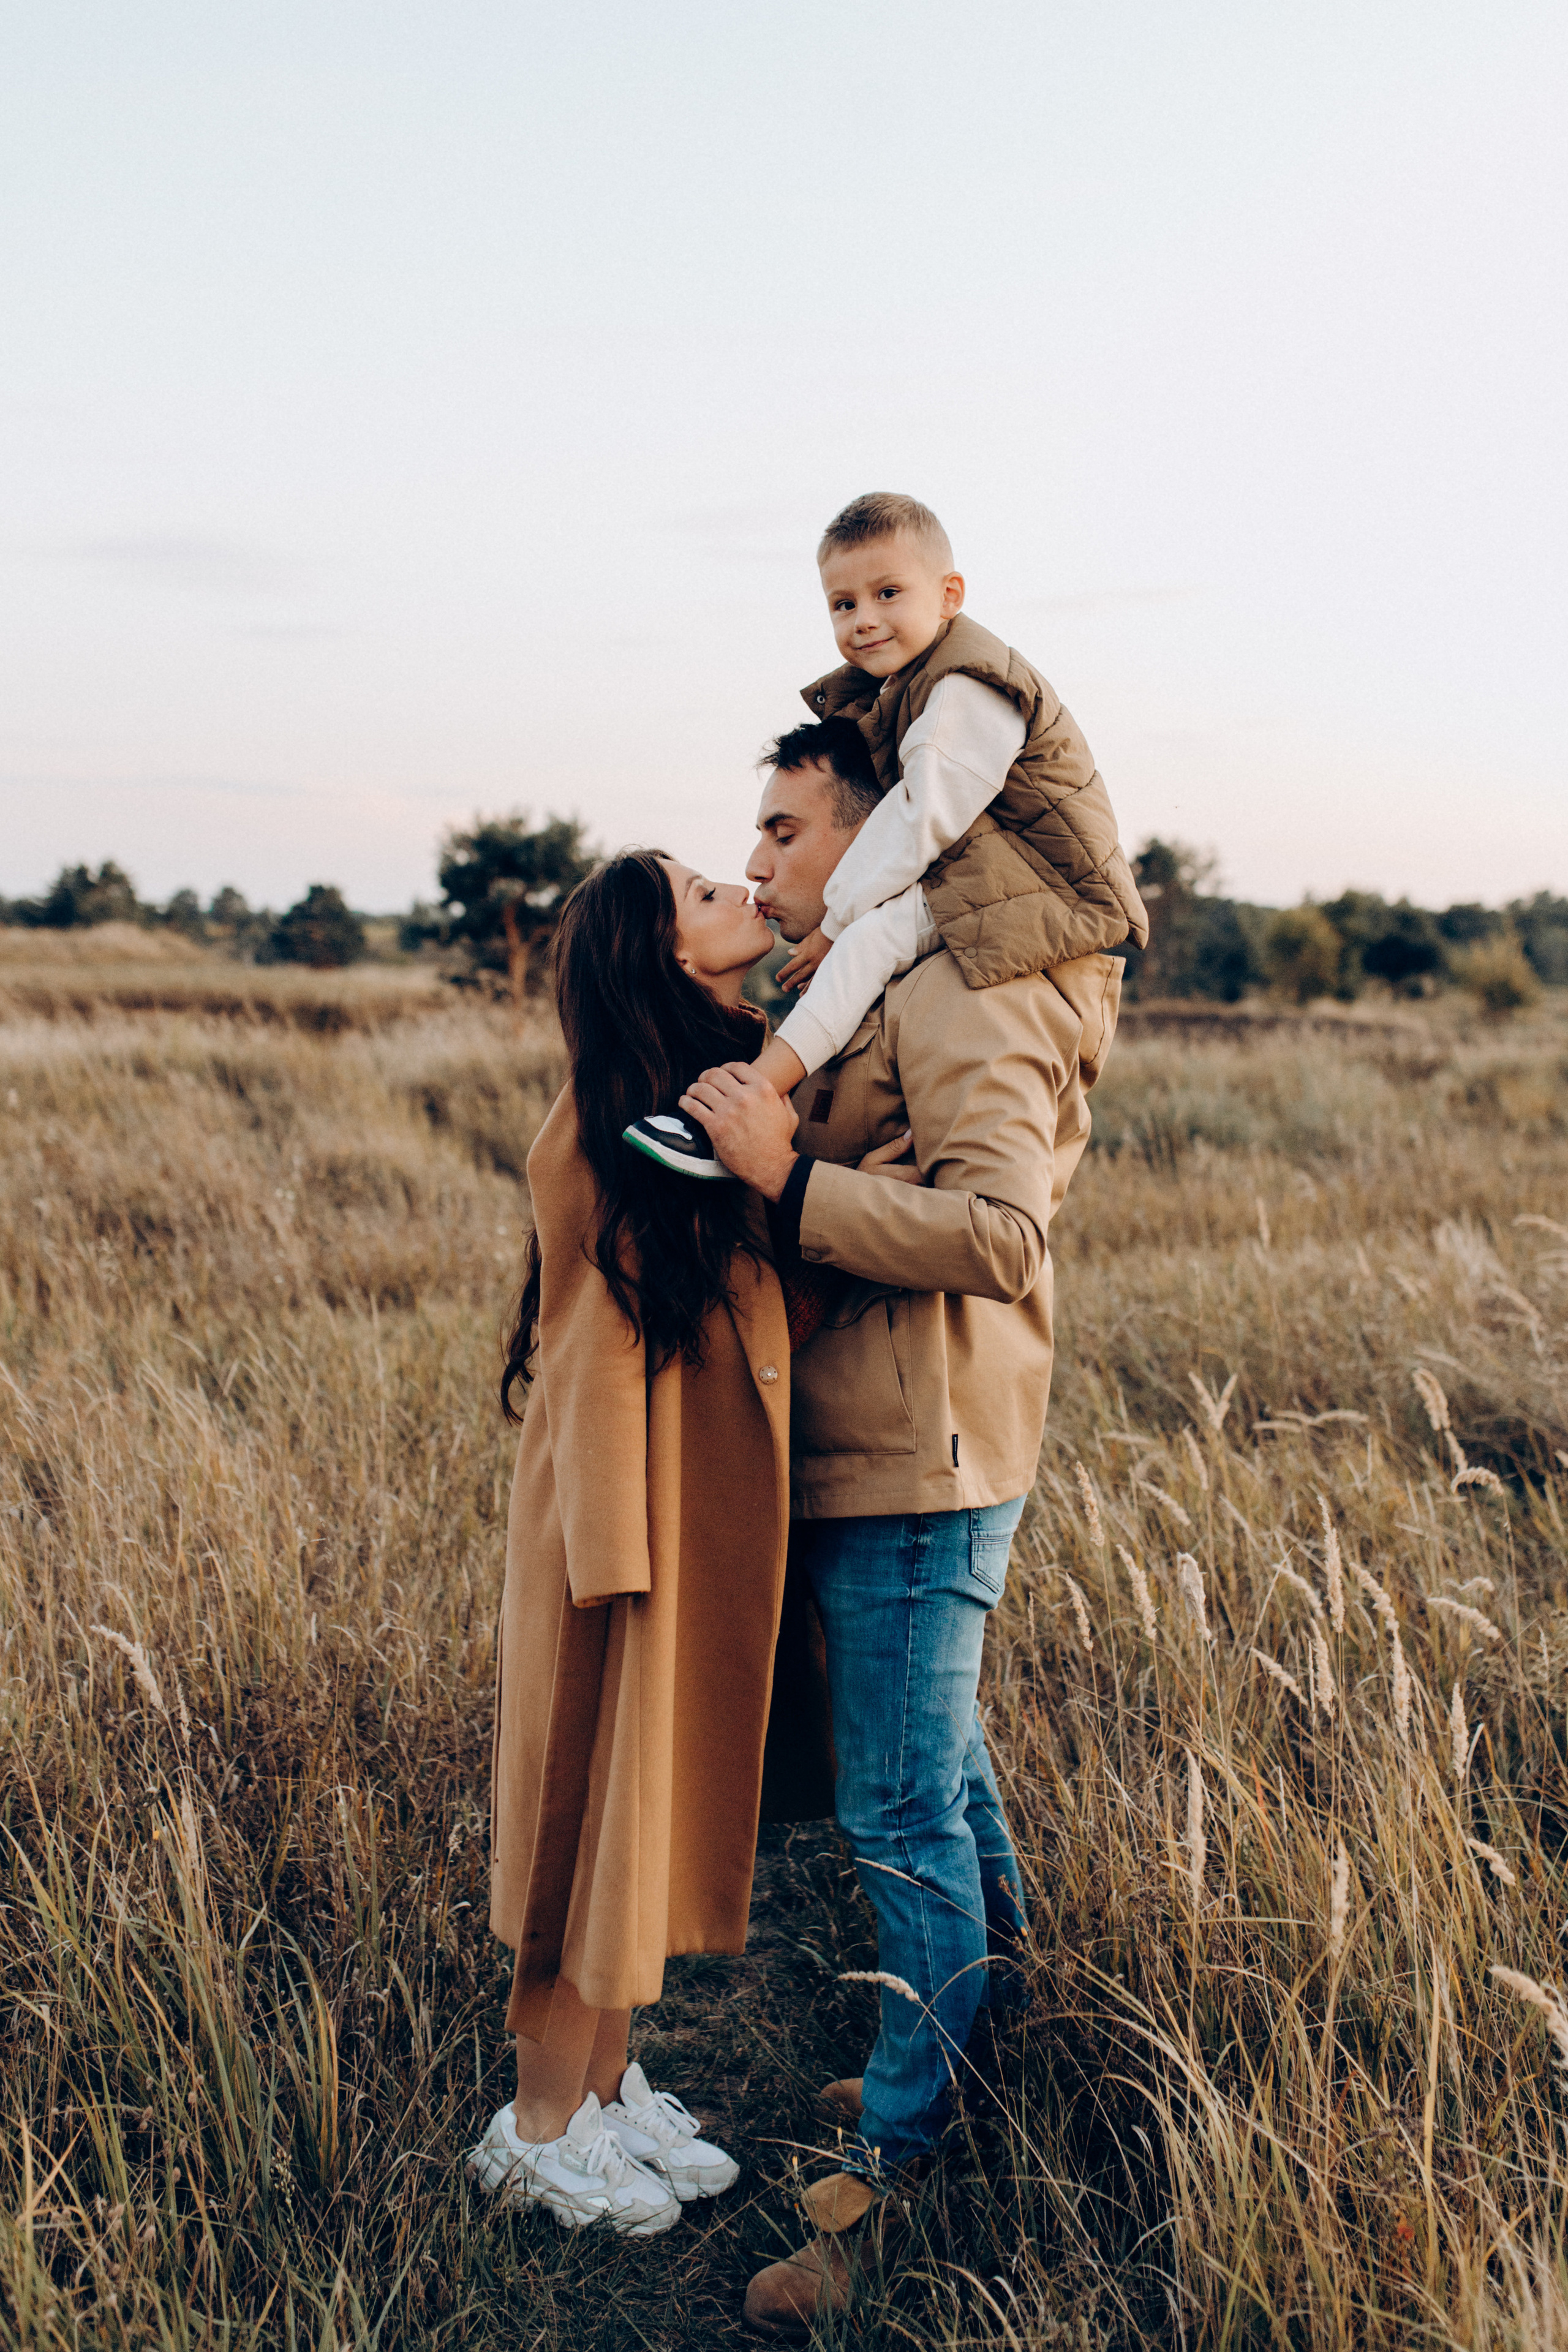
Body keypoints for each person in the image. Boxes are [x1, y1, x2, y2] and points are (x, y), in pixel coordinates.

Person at [677, 727, 1123, 2334]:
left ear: (874, 843)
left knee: (899, 1815)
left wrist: (785, 1182)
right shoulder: (866, 984)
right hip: (876, 1443)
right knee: (937, 1787)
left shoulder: (961, 985)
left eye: (788, 830)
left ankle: (892, 2185)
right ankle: (1006, 2087)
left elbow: (1001, 1234)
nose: (766, 858)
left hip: (926, 1456)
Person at [467, 848, 839, 2234]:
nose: (739, 888)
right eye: (701, 892)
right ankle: (538, 2123)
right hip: (615, 1529)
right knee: (588, 1811)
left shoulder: (715, 1084)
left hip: (687, 1509)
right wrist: (620, 1558)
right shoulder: (605, 1120)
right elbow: (587, 1350)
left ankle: (609, 2088)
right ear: (662, 953)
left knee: (646, 1811)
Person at [624, 489, 1145, 1176]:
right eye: (843, 605)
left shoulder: (970, 686)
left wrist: (837, 922)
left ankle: (750, 1099)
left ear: (950, 594)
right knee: (870, 949)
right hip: (994, 871)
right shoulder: (913, 685)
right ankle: (757, 1108)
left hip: (1040, 882)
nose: (864, 620)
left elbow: (920, 815)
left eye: (888, 593)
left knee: (869, 940)